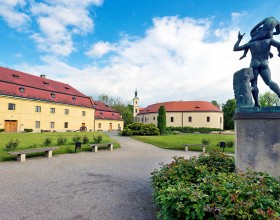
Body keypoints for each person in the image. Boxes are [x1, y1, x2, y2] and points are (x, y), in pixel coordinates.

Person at [233, 31, 280, 107]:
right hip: (264, 63)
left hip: (254, 63)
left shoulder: (251, 43)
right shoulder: (269, 40)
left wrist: (239, 39)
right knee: (269, 82)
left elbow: (236, 48)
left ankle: (257, 103)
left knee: (254, 84)